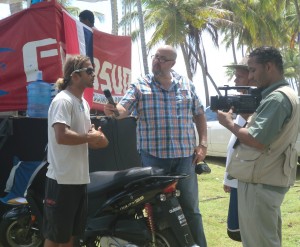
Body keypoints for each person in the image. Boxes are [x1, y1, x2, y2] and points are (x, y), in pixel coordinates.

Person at [104, 45, 208, 246]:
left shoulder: (186, 84)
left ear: (172, 63)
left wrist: (202, 144)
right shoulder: (140, 85)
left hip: (185, 157)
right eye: (155, 57)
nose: (156, 61)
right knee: (158, 210)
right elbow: (122, 109)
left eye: (162, 59)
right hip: (154, 158)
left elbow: (199, 114)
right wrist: (113, 110)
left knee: (190, 208)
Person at [217, 46, 300, 247]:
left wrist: (228, 122)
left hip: (260, 181)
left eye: (253, 70)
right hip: (265, 178)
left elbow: (257, 140)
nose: (251, 76)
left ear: (269, 66)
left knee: (258, 242)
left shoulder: (277, 98)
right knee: (264, 239)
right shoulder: (282, 95)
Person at [43, 54, 109, 247]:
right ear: (75, 76)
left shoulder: (84, 103)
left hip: (79, 180)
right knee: (56, 238)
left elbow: (89, 138)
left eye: (93, 71)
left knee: (70, 237)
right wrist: (90, 138)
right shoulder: (63, 101)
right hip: (61, 180)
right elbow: (61, 135)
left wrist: (100, 139)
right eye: (89, 71)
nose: (93, 74)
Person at [223, 56, 256, 242]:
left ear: (252, 77)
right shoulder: (245, 103)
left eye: (239, 76)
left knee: (247, 229)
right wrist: (228, 177)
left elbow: (249, 142)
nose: (234, 81)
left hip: (247, 179)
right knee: (239, 230)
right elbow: (234, 144)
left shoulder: (257, 105)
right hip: (238, 178)